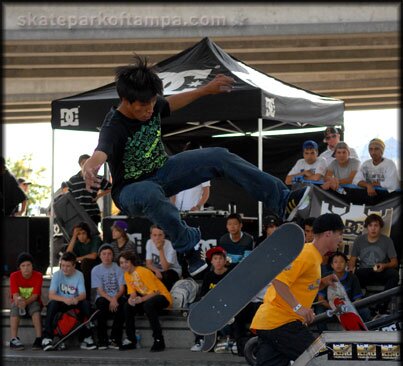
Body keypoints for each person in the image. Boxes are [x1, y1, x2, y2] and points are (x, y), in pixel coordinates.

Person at [82, 55, 310, 278]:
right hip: (130, 191)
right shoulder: (114, 126)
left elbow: (170, 102)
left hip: (163, 171)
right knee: (149, 192)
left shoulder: (151, 104)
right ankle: (189, 249)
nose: (150, 110)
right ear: (126, 100)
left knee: (218, 157)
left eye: (152, 103)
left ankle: (282, 200)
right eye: (143, 106)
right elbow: (101, 151)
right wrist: (89, 167)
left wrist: (205, 90)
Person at [206, 212, 344, 366]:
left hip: (274, 323)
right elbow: (279, 281)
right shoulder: (306, 253)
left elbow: (301, 283)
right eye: (339, 235)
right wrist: (299, 308)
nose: (340, 240)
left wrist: (323, 282)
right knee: (321, 359)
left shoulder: (315, 259)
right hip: (282, 323)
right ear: (329, 233)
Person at [118, 250, 172, 352]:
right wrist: (131, 299)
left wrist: (141, 299)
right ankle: (131, 340)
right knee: (127, 306)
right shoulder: (126, 274)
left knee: (148, 305)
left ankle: (159, 340)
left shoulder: (143, 271)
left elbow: (156, 292)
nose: (124, 265)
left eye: (126, 262)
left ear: (132, 262)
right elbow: (132, 292)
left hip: (162, 297)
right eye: (121, 263)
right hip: (148, 299)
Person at [41, 252, 96, 351]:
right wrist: (64, 299)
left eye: (68, 266)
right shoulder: (57, 275)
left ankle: (86, 337)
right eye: (62, 265)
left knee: (86, 304)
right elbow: (51, 295)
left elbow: (83, 295)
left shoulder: (79, 275)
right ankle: (47, 338)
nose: (64, 268)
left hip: (74, 302)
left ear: (74, 265)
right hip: (61, 302)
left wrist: (76, 299)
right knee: (52, 304)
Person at [348, 213, 399, 312]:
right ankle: (360, 307)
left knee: (394, 274)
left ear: (380, 227)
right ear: (367, 227)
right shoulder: (359, 240)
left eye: (376, 225)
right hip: (364, 271)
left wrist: (384, 265)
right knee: (352, 276)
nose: (373, 228)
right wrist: (351, 268)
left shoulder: (387, 241)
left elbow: (394, 262)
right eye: (370, 225)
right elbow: (352, 260)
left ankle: (382, 305)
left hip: (381, 270)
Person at [190, 246, 230, 352]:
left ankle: (222, 338)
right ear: (211, 261)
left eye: (221, 258)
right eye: (215, 259)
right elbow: (203, 294)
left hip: (225, 306)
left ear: (225, 260)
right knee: (193, 307)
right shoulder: (208, 275)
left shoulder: (230, 274)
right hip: (210, 304)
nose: (218, 261)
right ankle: (200, 340)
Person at [315, 251, 371, 324]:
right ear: (332, 265)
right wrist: (335, 309)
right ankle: (321, 333)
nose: (338, 264)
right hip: (331, 309)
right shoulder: (326, 277)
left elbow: (358, 299)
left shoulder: (352, 278)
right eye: (335, 262)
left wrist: (348, 308)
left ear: (346, 264)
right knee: (319, 312)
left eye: (341, 262)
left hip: (348, 308)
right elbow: (321, 300)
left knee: (364, 311)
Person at [91, 243, 126, 349]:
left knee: (124, 305)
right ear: (100, 255)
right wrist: (111, 299)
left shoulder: (118, 268)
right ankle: (102, 340)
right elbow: (100, 291)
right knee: (101, 305)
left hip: (117, 296)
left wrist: (115, 298)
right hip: (103, 297)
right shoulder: (96, 270)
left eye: (109, 254)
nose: (107, 256)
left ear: (113, 256)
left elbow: (122, 289)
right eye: (104, 254)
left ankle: (115, 339)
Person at [9, 252, 43, 350]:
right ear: (19, 267)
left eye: (28, 265)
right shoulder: (14, 276)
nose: (26, 268)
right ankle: (14, 339)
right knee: (14, 308)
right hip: (19, 302)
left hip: (32, 301)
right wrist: (19, 301)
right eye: (23, 266)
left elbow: (35, 295)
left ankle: (38, 338)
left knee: (36, 308)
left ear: (32, 266)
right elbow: (15, 294)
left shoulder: (38, 275)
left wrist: (25, 302)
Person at [66, 154, 112, 225]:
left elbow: (111, 188)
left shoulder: (96, 178)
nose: (85, 165)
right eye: (83, 163)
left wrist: (99, 195)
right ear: (80, 165)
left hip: (92, 213)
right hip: (78, 215)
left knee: (94, 235)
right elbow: (68, 196)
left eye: (87, 162)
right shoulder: (73, 180)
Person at [66, 221, 102, 300]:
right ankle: (67, 293)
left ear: (88, 233)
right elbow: (67, 255)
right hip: (83, 267)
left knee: (85, 262)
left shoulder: (95, 239)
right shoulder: (78, 243)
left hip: (96, 265)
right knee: (67, 264)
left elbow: (93, 256)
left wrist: (76, 259)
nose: (81, 236)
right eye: (79, 234)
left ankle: (86, 296)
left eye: (83, 233)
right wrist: (74, 237)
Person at [145, 224, 182, 290]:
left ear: (164, 235)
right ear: (151, 236)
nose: (157, 238)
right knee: (145, 273)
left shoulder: (170, 245)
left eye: (160, 235)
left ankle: (166, 295)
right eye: (154, 235)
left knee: (166, 275)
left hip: (172, 270)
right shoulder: (149, 243)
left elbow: (165, 268)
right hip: (157, 270)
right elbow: (148, 264)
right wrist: (156, 271)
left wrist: (160, 249)